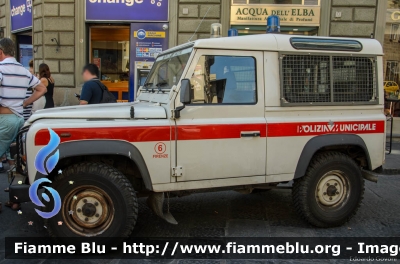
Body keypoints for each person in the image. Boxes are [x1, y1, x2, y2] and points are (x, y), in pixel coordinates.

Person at [0, 38, 47, 211]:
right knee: (17, 159)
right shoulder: (23, 71)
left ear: (1, 52)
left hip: (4, 118)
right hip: (19, 118)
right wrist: (25, 103)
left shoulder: (1, 69)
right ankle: (15, 199)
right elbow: (42, 89)